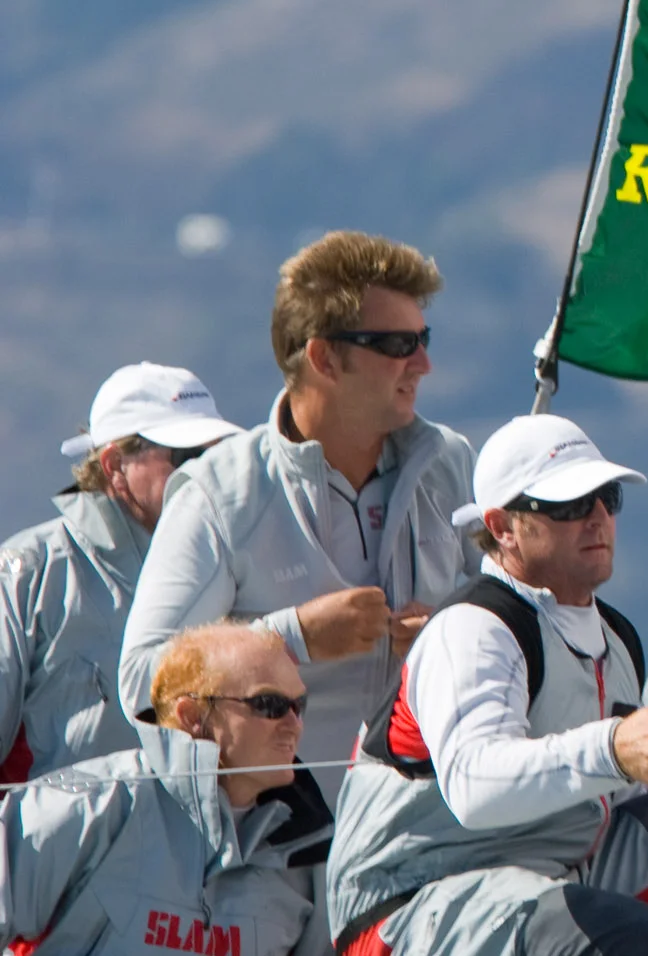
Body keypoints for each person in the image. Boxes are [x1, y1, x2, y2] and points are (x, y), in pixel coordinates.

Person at [327, 414, 648, 956]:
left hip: (560, 874)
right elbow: (474, 789)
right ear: (501, 526)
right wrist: (617, 746)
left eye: (607, 498)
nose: (598, 518)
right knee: (645, 943)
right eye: (568, 505)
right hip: (413, 903)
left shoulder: (616, 636)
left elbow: (615, 781)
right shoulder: (474, 628)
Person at [122, 233, 477, 797]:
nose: (424, 363)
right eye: (399, 344)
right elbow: (143, 681)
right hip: (274, 853)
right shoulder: (218, 495)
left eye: (424, 338)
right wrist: (293, 638)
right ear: (324, 358)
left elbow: (520, 623)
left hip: (422, 832)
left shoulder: (450, 466)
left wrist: (455, 636)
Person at [0, 622, 332, 954]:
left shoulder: (306, 852)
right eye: (270, 705)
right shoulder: (92, 804)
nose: (294, 725)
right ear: (191, 716)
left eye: (298, 707)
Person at [0, 362, 242, 781]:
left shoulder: (236, 566)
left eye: (217, 454)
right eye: (188, 456)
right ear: (114, 464)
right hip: (56, 846)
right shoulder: (28, 573)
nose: (207, 472)